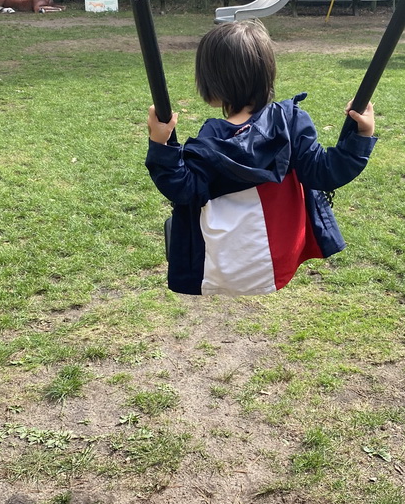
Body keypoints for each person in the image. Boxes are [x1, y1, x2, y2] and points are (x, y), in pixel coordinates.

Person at [145, 18, 377, 296]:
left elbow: (182, 188)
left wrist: (162, 145)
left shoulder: (213, 137)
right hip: (280, 257)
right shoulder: (291, 121)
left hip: (228, 264)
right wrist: (361, 136)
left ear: (212, 82)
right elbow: (326, 172)